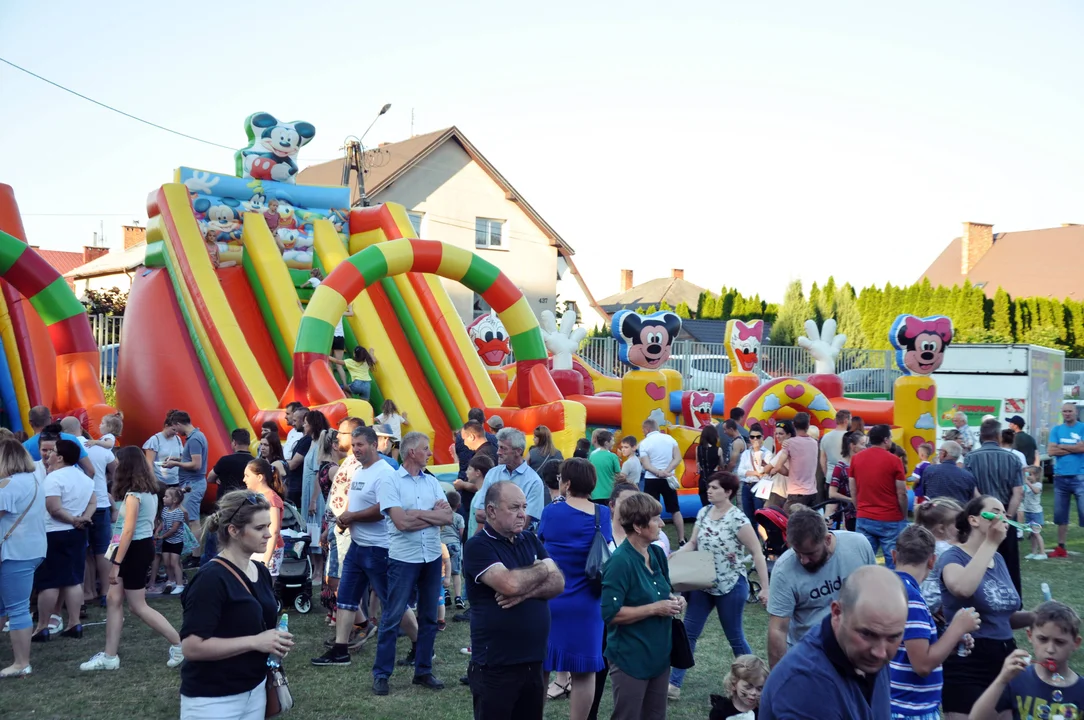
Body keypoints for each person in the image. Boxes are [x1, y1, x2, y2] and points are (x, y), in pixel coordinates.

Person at [179, 491, 294, 719]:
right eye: (259, 528)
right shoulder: (211, 579)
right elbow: (191, 647)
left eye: (268, 526)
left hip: (255, 689)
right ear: (233, 531)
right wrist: (256, 642)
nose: (268, 534)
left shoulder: (259, 571)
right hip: (213, 699)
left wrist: (274, 640)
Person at [466, 481, 565, 720]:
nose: (523, 514)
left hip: (533, 660)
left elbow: (559, 582)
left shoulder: (528, 539)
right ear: (491, 511)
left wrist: (526, 592)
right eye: (514, 508)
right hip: (496, 664)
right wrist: (543, 568)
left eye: (524, 506)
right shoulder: (478, 545)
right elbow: (508, 584)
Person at [668, 471, 771, 701]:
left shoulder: (738, 520)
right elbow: (693, 542)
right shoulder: (704, 512)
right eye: (709, 487)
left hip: (731, 586)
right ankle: (674, 685)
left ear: (728, 492)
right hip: (702, 584)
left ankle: (755, 682)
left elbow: (757, 553)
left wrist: (765, 587)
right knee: (689, 633)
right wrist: (675, 554)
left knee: (734, 636)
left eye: (714, 487)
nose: (709, 490)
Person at [80, 446, 185, 671]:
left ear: (126, 466)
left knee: (138, 606)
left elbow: (128, 531)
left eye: (118, 462)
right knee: (113, 600)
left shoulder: (134, 495)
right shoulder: (147, 492)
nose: (115, 466)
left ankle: (179, 644)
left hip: (133, 550)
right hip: (134, 547)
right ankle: (109, 656)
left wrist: (116, 564)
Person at [760, 566, 907, 720]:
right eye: (867, 634)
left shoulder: (867, 654)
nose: (881, 652)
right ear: (837, 613)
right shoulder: (805, 686)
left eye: (893, 637)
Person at [938, 495, 1035, 719]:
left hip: (1005, 657)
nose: (1003, 518)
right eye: (995, 511)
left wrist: (1034, 616)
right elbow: (963, 588)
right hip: (968, 659)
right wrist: (991, 542)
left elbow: (1000, 615)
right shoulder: (952, 556)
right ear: (973, 520)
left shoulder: (998, 559)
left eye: (1005, 513)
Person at [311, 426, 399, 667]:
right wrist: (338, 522)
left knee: (392, 601)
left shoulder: (385, 472)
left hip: (379, 549)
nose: (356, 449)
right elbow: (352, 503)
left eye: (360, 444)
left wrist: (353, 517)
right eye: (354, 445)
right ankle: (341, 651)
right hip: (357, 546)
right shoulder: (359, 470)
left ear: (374, 445)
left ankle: (418, 645)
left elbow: (383, 509)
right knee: (346, 598)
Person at [373, 431, 452, 695]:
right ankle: (382, 674)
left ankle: (423, 671)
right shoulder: (391, 482)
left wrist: (418, 513)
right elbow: (401, 523)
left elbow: (448, 518)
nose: (429, 453)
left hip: (430, 557)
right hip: (403, 558)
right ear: (411, 453)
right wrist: (432, 516)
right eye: (426, 449)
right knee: (393, 616)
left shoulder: (431, 482)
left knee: (429, 617)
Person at [601, 492, 686, 720]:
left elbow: (663, 590)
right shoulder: (620, 562)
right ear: (638, 526)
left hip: (659, 654)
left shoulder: (656, 553)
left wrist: (676, 599)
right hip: (630, 657)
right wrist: (655, 608)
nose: (661, 523)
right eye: (656, 518)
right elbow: (610, 613)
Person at [538, 458, 611, 718]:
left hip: (552, 599)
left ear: (566, 483)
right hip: (588, 602)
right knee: (585, 671)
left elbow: (540, 545)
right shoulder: (603, 514)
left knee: (543, 666)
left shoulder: (551, 512)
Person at [889, 525, 981, 720]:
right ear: (932, 561)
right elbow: (922, 665)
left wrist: (949, 645)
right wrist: (956, 629)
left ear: (894, 555)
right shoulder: (911, 598)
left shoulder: (890, 587)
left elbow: (907, 649)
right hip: (910, 709)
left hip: (893, 704)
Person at [766, 506, 876, 668]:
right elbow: (778, 630)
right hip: (810, 657)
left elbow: (873, 594)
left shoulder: (858, 545)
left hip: (855, 652)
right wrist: (778, 682)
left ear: (827, 540)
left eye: (810, 554)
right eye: (798, 553)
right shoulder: (784, 569)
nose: (803, 560)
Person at [969, 601, 1084, 719]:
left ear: (1076, 643)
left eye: (1060, 642)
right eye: (1043, 639)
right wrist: (1001, 680)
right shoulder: (1016, 679)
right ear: (1030, 635)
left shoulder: (1081, 689)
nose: (1050, 649)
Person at [32, 438, 94, 642]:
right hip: (77, 532)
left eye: (53, 451)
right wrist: (83, 517)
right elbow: (93, 500)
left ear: (60, 457)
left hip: (55, 532)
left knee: (49, 581)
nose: (48, 454)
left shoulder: (53, 478)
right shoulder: (84, 478)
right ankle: (74, 623)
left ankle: (42, 626)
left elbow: (54, 509)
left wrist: (73, 519)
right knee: (73, 579)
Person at [0, 439, 47, 677]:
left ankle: (21, 663)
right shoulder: (32, 480)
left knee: (17, 608)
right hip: (31, 549)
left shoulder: (8, 485)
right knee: (6, 605)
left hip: (14, 553)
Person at [60, 416, 116, 608]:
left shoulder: (66, 450)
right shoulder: (100, 448)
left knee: (83, 551)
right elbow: (115, 469)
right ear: (79, 428)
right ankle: (106, 591)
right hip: (100, 502)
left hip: (76, 506)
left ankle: (87, 591)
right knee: (102, 550)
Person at [964, 419, 1024, 595]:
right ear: (999, 436)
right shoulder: (1012, 458)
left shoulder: (971, 458)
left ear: (981, 436)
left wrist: (985, 511)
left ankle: (983, 598)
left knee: (979, 558)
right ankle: (1013, 599)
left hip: (981, 513)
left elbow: (972, 489)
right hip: (1006, 513)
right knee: (1010, 561)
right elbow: (1018, 492)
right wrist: (1007, 516)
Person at [848, 423, 908, 569]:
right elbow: (902, 493)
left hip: (864, 516)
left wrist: (859, 508)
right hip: (891, 518)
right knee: (894, 562)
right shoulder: (894, 461)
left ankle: (861, 589)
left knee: (862, 561)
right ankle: (893, 590)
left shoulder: (856, 459)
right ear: (886, 440)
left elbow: (853, 489)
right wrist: (904, 514)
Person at [471, 428, 545, 536]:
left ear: (518, 451)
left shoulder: (534, 481)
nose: (498, 452)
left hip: (517, 545)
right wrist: (508, 518)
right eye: (499, 447)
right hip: (491, 541)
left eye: (503, 448)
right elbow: (478, 514)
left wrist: (494, 517)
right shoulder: (492, 474)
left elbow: (524, 522)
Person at [162, 411, 207, 549]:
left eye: (176, 428)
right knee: (191, 519)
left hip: (193, 484)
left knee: (193, 521)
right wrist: (178, 459)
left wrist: (175, 464)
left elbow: (196, 465)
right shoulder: (197, 436)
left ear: (178, 424)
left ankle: (196, 554)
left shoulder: (194, 439)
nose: (176, 432)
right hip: (191, 483)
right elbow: (192, 459)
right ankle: (193, 551)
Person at [913, 497, 963, 623]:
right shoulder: (947, 551)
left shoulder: (918, 543)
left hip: (918, 602)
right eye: (959, 523)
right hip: (937, 607)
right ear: (941, 528)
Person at [638, 418, 686, 545]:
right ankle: (681, 538)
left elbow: (646, 464)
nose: (643, 432)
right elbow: (678, 458)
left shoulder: (644, 443)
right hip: (669, 478)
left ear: (647, 429)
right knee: (675, 509)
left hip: (651, 479)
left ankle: (651, 537)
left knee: (650, 510)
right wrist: (667, 471)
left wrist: (658, 472)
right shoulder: (670, 439)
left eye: (643, 430)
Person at [1047, 401, 1084, 559]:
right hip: (1061, 477)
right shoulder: (1056, 429)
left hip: (1080, 477)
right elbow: (1050, 451)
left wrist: (1061, 447)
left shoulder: (1082, 428)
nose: (1067, 413)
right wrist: (1074, 448)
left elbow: (1083, 448)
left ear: (1076, 412)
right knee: (1061, 515)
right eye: (1064, 411)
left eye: (1070, 411)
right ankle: (1061, 547)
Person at [21, 405, 93, 477]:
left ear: (30, 423)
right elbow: (90, 470)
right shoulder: (71, 439)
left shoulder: (25, 447)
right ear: (51, 418)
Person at [242, 459, 284, 578]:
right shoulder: (255, 496)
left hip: (268, 550)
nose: (244, 479)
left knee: (265, 586)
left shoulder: (270, 498)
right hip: (258, 547)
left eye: (247, 476)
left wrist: (266, 561)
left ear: (259, 477)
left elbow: (274, 531)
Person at [710, 654, 768, 720]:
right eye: (748, 687)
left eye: (759, 688)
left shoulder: (764, 711)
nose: (754, 692)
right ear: (734, 683)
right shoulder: (721, 709)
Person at [156, 486, 191, 594]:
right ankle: (171, 581)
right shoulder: (165, 510)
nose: (163, 498)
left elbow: (174, 529)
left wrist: (162, 536)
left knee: (174, 563)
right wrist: (157, 531)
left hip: (176, 542)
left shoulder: (179, 513)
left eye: (166, 496)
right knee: (167, 563)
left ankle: (180, 584)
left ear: (174, 500)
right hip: (167, 541)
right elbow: (163, 523)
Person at [828, 431, 865, 531]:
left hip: (866, 512)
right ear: (852, 446)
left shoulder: (862, 463)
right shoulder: (841, 466)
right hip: (852, 514)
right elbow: (832, 493)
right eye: (862, 444)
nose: (865, 447)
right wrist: (851, 500)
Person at [736, 424, 770, 521]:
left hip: (760, 486)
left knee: (760, 516)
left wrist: (757, 451)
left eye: (758, 437)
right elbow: (740, 471)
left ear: (762, 438)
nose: (755, 439)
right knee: (748, 516)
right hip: (746, 486)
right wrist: (755, 473)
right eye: (752, 437)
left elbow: (763, 470)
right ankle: (752, 536)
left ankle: (761, 535)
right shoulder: (746, 453)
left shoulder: (767, 453)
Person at [208, 428, 253, 497]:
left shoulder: (225, 460)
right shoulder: (255, 462)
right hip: (246, 501)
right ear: (249, 443)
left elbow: (210, 478)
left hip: (225, 501)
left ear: (234, 443)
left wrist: (218, 479)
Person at [440, 490, 466, 610]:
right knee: (456, 572)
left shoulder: (441, 516)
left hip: (442, 546)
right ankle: (458, 598)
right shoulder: (459, 517)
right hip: (454, 545)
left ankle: (445, 593)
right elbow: (461, 533)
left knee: (443, 572)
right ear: (458, 505)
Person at [280, 406, 310, 507]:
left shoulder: (307, 440)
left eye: (295, 421)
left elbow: (293, 464)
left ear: (304, 421)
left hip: (298, 487)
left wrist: (279, 463)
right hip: (294, 485)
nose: (293, 423)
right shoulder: (302, 439)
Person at [144, 410, 184, 486]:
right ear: (166, 426)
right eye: (173, 430)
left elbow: (182, 457)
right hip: (160, 481)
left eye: (177, 430)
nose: (176, 433)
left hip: (175, 481)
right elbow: (149, 463)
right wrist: (154, 481)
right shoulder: (155, 439)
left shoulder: (178, 439)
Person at [764, 422, 795, 508]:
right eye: (776, 433)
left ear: (789, 435)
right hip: (787, 491)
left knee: (766, 517)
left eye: (781, 433)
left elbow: (767, 469)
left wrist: (772, 468)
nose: (777, 436)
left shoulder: (783, 451)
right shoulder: (794, 448)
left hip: (778, 491)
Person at [588, 429, 621, 505]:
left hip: (594, 494)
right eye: (612, 440)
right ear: (606, 443)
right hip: (609, 493)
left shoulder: (592, 456)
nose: (614, 443)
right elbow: (619, 475)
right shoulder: (613, 457)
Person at [820, 409, 852, 487]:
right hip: (846, 478)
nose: (851, 421)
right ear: (846, 420)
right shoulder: (851, 437)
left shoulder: (825, 437)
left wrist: (826, 475)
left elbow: (823, 460)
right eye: (850, 419)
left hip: (830, 478)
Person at [1021, 465, 1047, 560]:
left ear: (1036, 476)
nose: (1028, 476)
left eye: (1030, 474)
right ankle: (1034, 552)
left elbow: (1036, 491)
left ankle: (1042, 553)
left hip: (1035, 513)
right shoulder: (1028, 486)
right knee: (1031, 534)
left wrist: (1028, 483)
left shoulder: (1038, 485)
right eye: (1027, 474)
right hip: (1028, 512)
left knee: (1036, 533)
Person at [696, 424, 724, 507]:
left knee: (705, 505)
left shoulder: (698, 449)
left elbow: (697, 464)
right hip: (714, 478)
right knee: (717, 504)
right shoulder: (718, 450)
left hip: (702, 478)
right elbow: (721, 465)